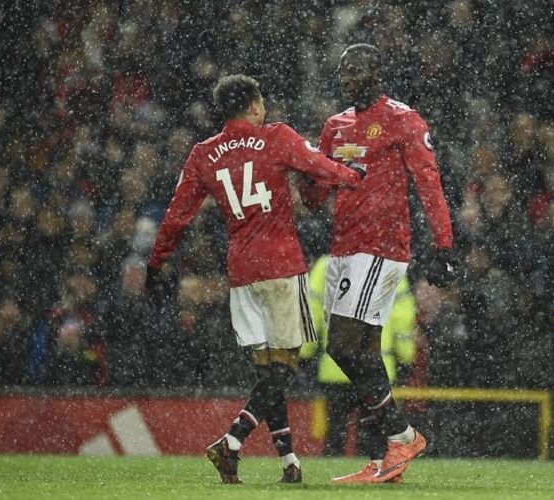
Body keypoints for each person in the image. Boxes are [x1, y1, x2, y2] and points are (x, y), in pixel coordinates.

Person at [145, 74, 364, 484]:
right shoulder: (276, 137)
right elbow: (321, 167)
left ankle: (289, 464)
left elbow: (177, 215)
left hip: (242, 272)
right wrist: (355, 176)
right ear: (255, 105)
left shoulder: (203, 154)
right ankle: (231, 441)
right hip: (280, 266)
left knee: (267, 371)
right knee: (285, 366)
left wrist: (156, 264)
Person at [299, 43, 455, 483]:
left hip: (381, 247)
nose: (349, 78)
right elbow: (315, 200)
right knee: (362, 353)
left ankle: (403, 435)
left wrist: (444, 246)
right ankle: (384, 458)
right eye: (344, 71)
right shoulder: (336, 126)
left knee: (344, 346)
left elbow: (429, 182)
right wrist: (308, 168)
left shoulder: (403, 120)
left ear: (378, 73)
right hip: (342, 250)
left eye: (358, 71)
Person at [300, 254, 418, 458]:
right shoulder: (388, 264)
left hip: (335, 367)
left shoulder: (327, 264)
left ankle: (333, 478)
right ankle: (375, 469)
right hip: (377, 365)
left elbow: (312, 311)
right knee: (373, 431)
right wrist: (406, 357)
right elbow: (402, 317)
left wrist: (304, 353)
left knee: (335, 432)